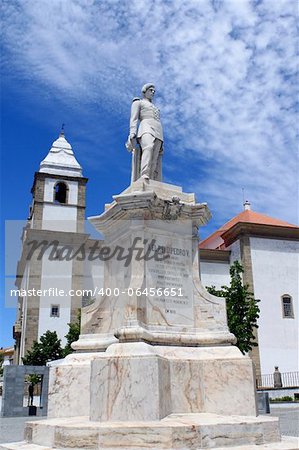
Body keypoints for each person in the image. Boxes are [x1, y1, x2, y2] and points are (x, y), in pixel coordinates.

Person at [126, 83, 163, 182]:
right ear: (145, 91)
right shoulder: (138, 103)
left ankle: (152, 178)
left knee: (155, 157)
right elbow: (133, 119)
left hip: (158, 130)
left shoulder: (155, 107)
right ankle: (144, 174)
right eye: (151, 90)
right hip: (145, 126)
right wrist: (132, 132)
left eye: (154, 91)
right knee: (148, 147)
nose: (153, 92)